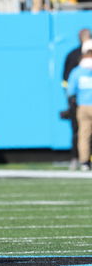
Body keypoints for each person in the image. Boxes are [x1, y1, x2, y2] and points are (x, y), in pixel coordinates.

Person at [61, 28, 91, 169]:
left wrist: (71, 101)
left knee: (82, 134)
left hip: (82, 104)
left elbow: (69, 88)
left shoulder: (77, 69)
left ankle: (82, 161)